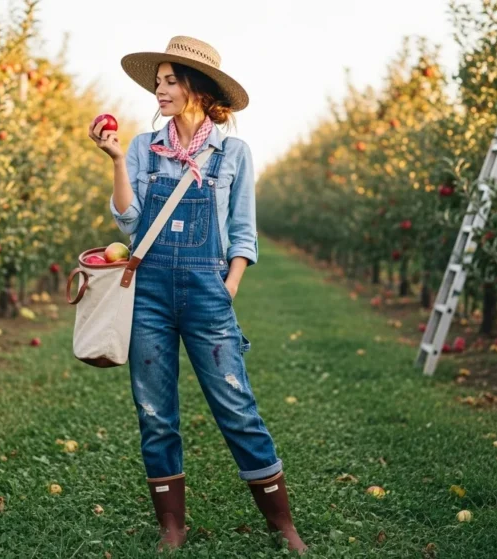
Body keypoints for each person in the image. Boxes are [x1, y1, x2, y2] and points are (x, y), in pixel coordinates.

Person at [88, 36, 307, 554]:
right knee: (154, 410)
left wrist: (228, 287)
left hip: (209, 292)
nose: (158, 90)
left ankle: (283, 525)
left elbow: (243, 231)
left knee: (235, 405)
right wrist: (117, 159)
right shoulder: (143, 147)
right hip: (150, 294)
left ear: (198, 91)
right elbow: (129, 219)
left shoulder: (232, 153)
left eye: (169, 81)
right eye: (158, 81)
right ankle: (172, 527)